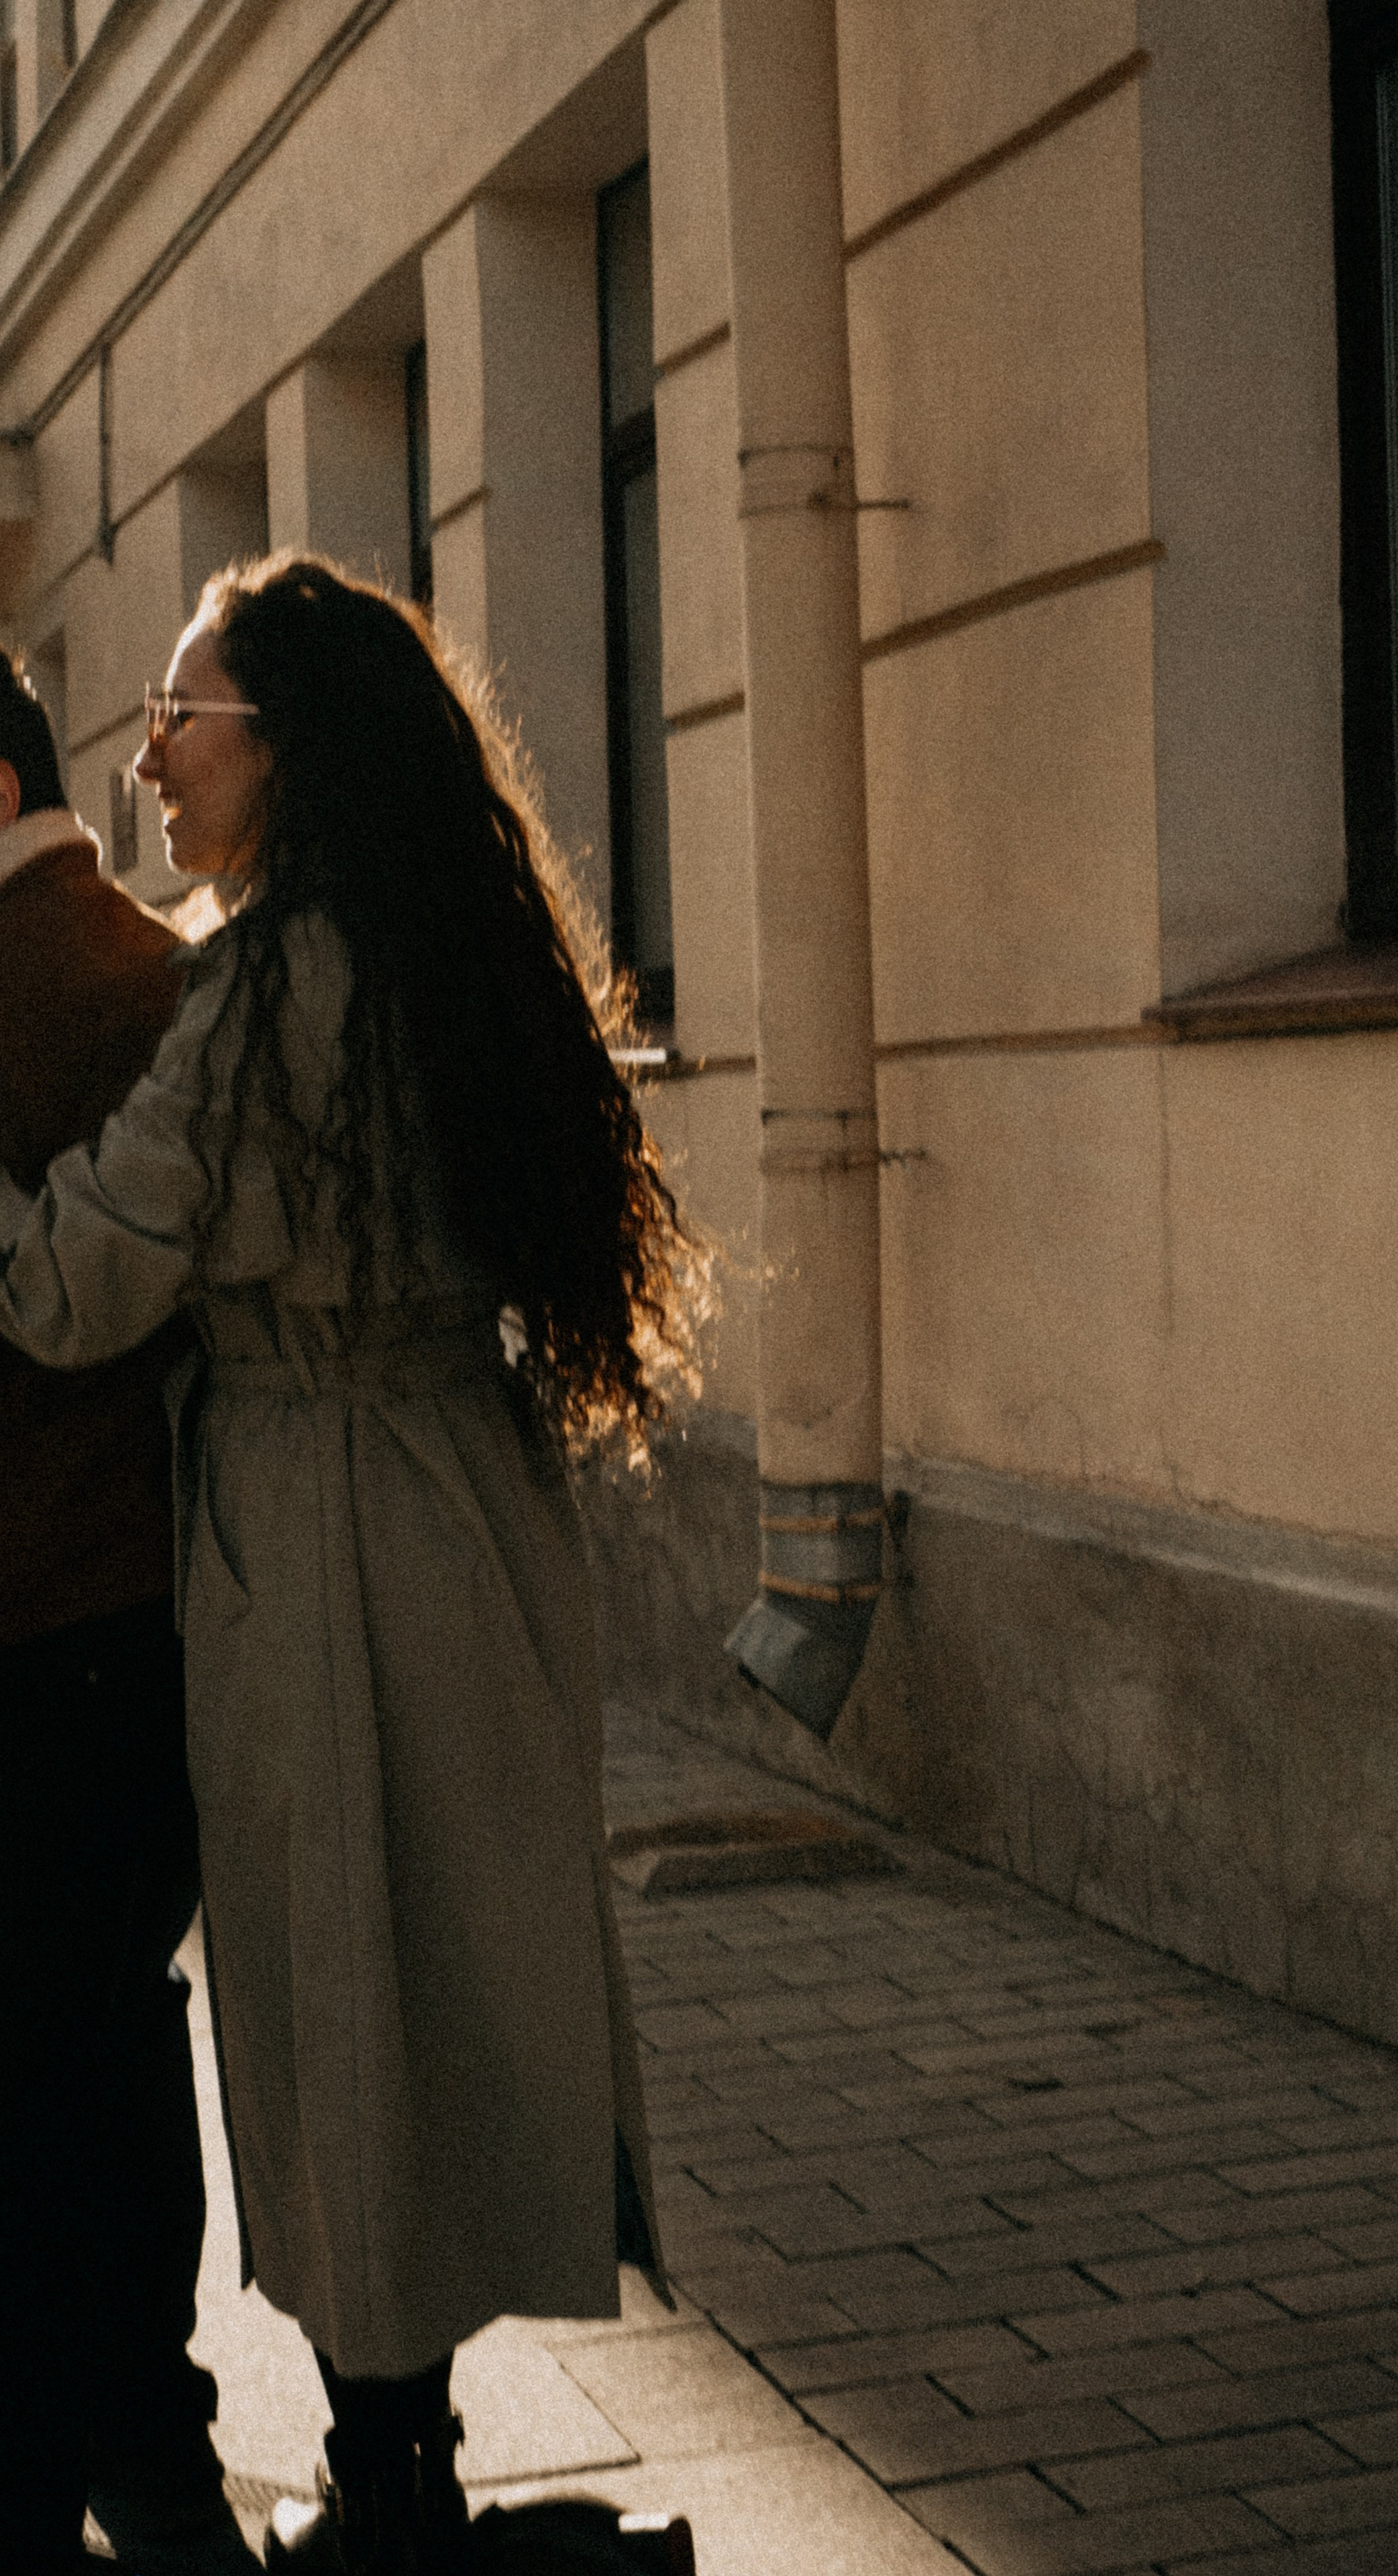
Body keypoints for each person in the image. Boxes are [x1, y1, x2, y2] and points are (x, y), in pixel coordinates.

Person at [0, 556, 700, 2576]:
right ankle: (416, 2448)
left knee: (333, 1989)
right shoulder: (455, 955)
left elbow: (67, 1288)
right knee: (460, 1970)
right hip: (469, 1508)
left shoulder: (262, 992)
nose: (148, 758)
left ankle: (389, 2493)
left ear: (283, 746)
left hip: (308, 1521)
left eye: (179, 718)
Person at [0, 655, 254, 2573]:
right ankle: (150, 2446)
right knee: (103, 2036)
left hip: (27, 1625)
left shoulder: (45, 980)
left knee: (37, 2063)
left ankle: (69, 2459)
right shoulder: (156, 964)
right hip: (142, 1609)